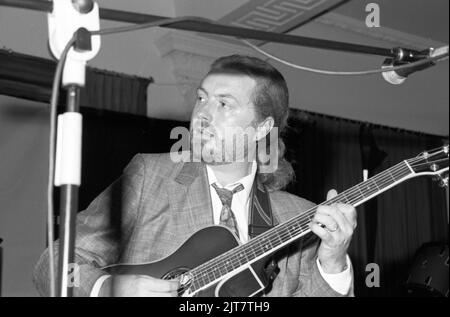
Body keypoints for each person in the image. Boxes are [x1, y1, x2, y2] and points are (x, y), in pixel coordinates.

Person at [33, 55, 357, 297]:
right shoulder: (150, 178)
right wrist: (106, 288)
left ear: (261, 127)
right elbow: (54, 263)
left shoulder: (300, 218)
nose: (202, 113)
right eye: (201, 98)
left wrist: (333, 264)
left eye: (224, 104)